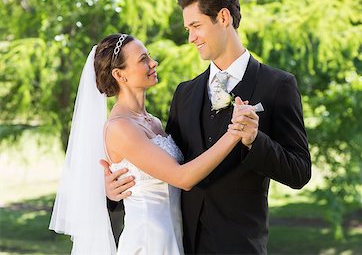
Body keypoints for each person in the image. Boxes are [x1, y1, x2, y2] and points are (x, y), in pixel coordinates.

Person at [104, 0, 311, 254]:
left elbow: (299, 172)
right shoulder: (185, 93)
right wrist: (113, 193)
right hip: (179, 243)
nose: (191, 38)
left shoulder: (277, 85)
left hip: (239, 245)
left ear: (223, 18)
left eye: (196, 26)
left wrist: (254, 141)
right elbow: (164, 166)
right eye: (188, 29)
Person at [49, 33, 256, 254]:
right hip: (149, 241)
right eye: (143, 59)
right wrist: (233, 133)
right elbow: (182, 178)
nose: (153, 63)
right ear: (119, 74)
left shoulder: (154, 122)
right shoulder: (120, 127)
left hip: (175, 235)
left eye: (149, 57)